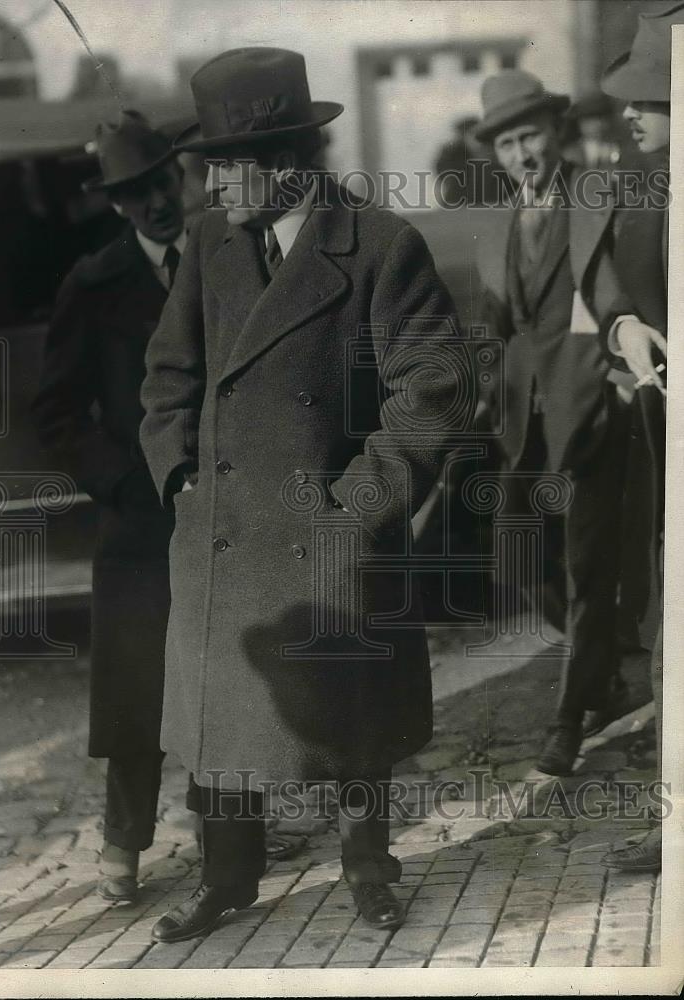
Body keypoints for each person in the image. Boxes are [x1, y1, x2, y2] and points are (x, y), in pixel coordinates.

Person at [140, 46, 463, 941]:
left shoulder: (380, 246)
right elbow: (168, 376)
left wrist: (360, 507)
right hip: (222, 526)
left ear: (283, 162)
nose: (210, 186)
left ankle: (368, 870)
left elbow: (435, 387)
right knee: (221, 715)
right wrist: (179, 473)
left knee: (352, 717)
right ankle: (225, 877)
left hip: (329, 529)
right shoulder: (209, 246)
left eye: (224, 166)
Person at [32, 110, 303, 905]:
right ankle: (123, 843)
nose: (152, 204)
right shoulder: (93, 283)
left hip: (226, 510)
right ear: (115, 204)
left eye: (159, 183)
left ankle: (232, 835)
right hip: (141, 521)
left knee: (231, 676)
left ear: (178, 177)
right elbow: (57, 414)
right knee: (135, 689)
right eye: (132, 195)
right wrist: (128, 481)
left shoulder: (232, 255)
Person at [473, 70, 629, 777]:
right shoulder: (499, 224)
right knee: (517, 554)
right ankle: (604, 666)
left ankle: (568, 718)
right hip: (522, 418)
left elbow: (615, 296)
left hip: (590, 405)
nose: (521, 154)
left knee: (586, 566)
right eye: (507, 144)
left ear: (555, 131)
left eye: (529, 136)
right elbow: (495, 320)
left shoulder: (594, 197)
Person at [598, 1, 683, 875]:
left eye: (647, 98)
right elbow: (611, 283)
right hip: (669, 458)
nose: (628, 113)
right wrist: (623, 325)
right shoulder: (642, 189)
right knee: (671, 641)